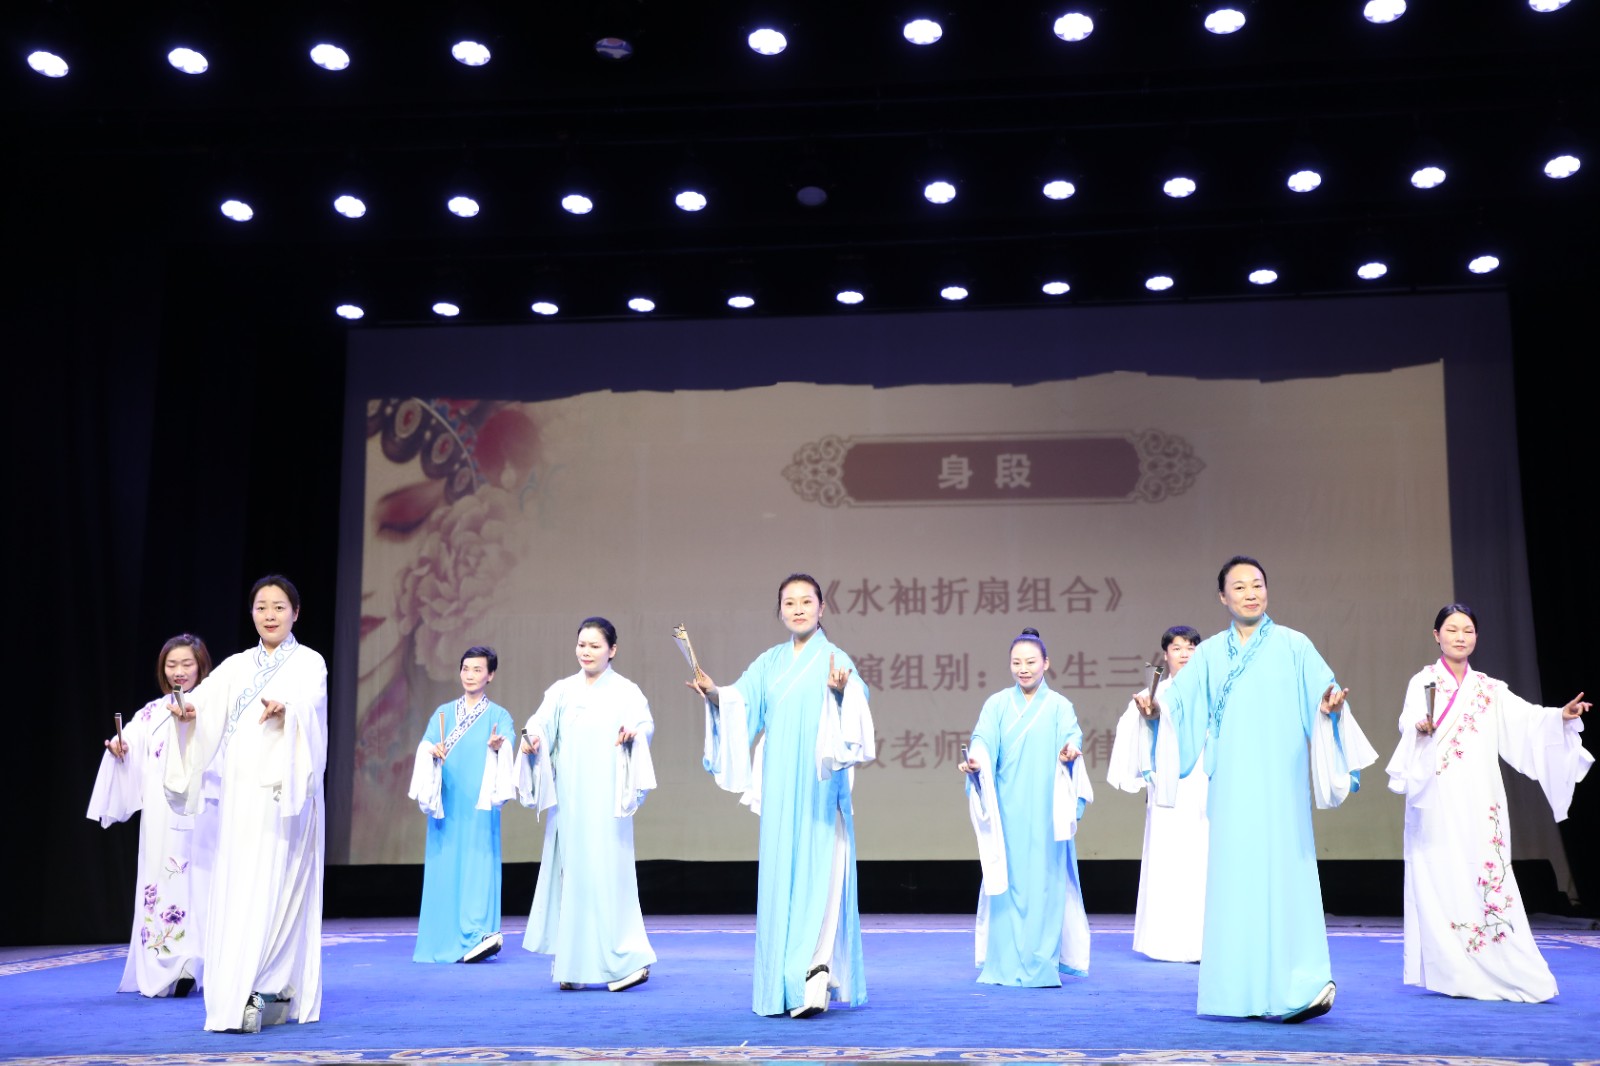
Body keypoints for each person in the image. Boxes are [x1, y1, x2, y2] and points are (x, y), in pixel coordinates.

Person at [1136, 556, 1377, 1023]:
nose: (1251, 593)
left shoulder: (1294, 645)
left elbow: (1326, 695)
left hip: (1281, 782)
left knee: (1287, 874)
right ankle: (1236, 993)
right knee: (1236, 880)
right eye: (1239, 587)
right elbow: (1178, 707)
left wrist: (1330, 709)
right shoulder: (1208, 654)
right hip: (1231, 783)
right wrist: (1155, 714)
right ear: (1223, 597)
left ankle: (1301, 985)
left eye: (1258, 584)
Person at [1385, 603, 1593, 1002]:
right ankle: (1453, 970)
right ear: (1436, 636)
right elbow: (1408, 721)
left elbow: (1528, 721)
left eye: (1467, 630)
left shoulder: (1489, 689)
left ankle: (1504, 963)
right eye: (1452, 629)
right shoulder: (1423, 681)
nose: (1460, 637)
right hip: (1436, 797)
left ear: (1476, 637)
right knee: (1440, 875)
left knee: (1487, 873)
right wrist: (1419, 727)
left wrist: (1560, 717)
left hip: (1480, 797)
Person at [689, 573, 875, 1018]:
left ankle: (812, 975)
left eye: (806, 601)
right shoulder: (769, 662)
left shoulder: (835, 658)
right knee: (780, 878)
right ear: (780, 611)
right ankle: (780, 984)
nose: (798, 609)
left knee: (820, 875)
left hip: (819, 785)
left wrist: (841, 693)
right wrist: (714, 694)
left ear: (822, 608)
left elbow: (857, 706)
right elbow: (740, 702)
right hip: (779, 785)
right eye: (789, 602)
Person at [164, 575, 327, 1034]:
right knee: (241, 884)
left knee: (278, 882)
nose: (270, 615)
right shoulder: (236, 666)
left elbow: (311, 704)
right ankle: (238, 987)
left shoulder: (309, 662)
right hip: (241, 792)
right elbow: (203, 703)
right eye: (261, 607)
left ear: (296, 612)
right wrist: (189, 712)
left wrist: (288, 710)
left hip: (284, 793)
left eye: (279, 607)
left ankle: (273, 982)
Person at [517, 617, 656, 991]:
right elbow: (539, 723)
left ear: (612, 650)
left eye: (595, 645)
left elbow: (645, 725)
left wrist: (635, 734)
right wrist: (533, 738)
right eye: (582, 644)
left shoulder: (626, 691)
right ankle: (575, 965)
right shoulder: (562, 690)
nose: (587, 652)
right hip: (571, 800)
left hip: (608, 801)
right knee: (573, 877)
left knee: (609, 876)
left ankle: (625, 960)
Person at [959, 627, 1093, 987]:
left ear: (1046, 663)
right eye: (1017, 662)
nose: (1024, 668)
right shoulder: (997, 704)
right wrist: (976, 760)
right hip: (1007, 809)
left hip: (1046, 811)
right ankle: (1003, 963)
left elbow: (1072, 737)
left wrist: (1070, 751)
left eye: (1031, 661)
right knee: (1006, 881)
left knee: (1045, 886)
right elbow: (982, 739)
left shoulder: (1059, 706)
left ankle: (1041, 963)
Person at [86, 634, 219, 998]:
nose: (179, 672)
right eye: (171, 665)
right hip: (162, 814)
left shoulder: (214, 706)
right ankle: (168, 964)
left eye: (187, 664)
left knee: (203, 880)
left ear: (201, 667)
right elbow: (129, 743)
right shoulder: (151, 713)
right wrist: (120, 747)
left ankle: (203, 962)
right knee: (164, 880)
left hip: (204, 810)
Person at [408, 645, 517, 964]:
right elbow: (426, 745)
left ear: (490, 675)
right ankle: (441, 940)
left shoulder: (498, 715)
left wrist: (499, 746)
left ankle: (476, 934)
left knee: (477, 865)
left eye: (478, 669)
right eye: (466, 668)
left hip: (479, 806)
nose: (470, 675)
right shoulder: (443, 714)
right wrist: (431, 752)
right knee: (445, 867)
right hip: (448, 802)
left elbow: (508, 741)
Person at [1106, 625, 1208, 963]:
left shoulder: (1211, 692)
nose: (1184, 653)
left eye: (1191, 647)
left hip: (1203, 786)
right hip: (1167, 790)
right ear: (1165, 654)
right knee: (1168, 860)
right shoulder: (1152, 694)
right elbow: (1132, 734)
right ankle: (1168, 941)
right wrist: (1147, 719)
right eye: (1177, 648)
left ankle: (1206, 941)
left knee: (1203, 859)